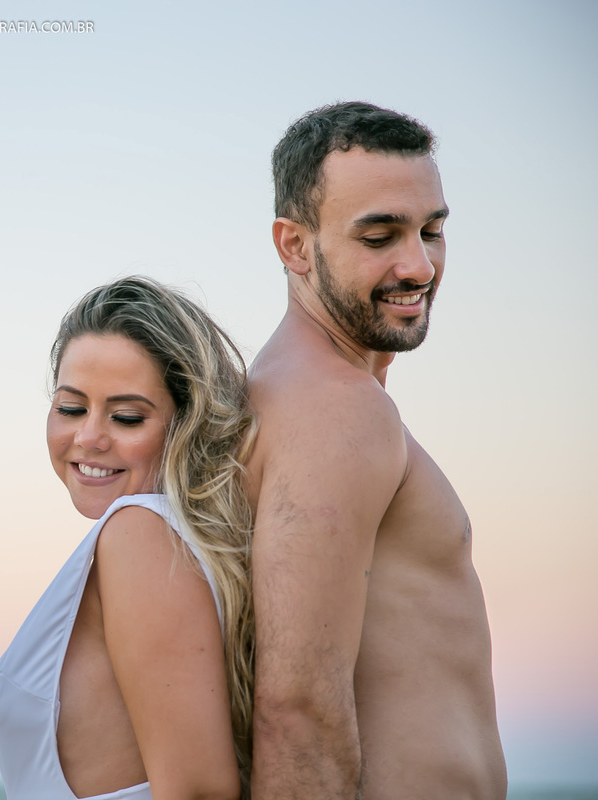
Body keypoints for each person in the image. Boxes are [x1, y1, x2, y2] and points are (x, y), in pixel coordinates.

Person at [246, 101, 506, 798]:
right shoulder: (336, 408)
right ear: (294, 245)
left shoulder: (301, 394)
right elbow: (296, 712)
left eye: (432, 230)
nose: (419, 265)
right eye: (380, 236)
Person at [0, 276, 256, 799]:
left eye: (127, 416)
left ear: (188, 424)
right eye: (70, 407)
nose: (88, 437)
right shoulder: (172, 543)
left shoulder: (139, 534)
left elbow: (198, 790)